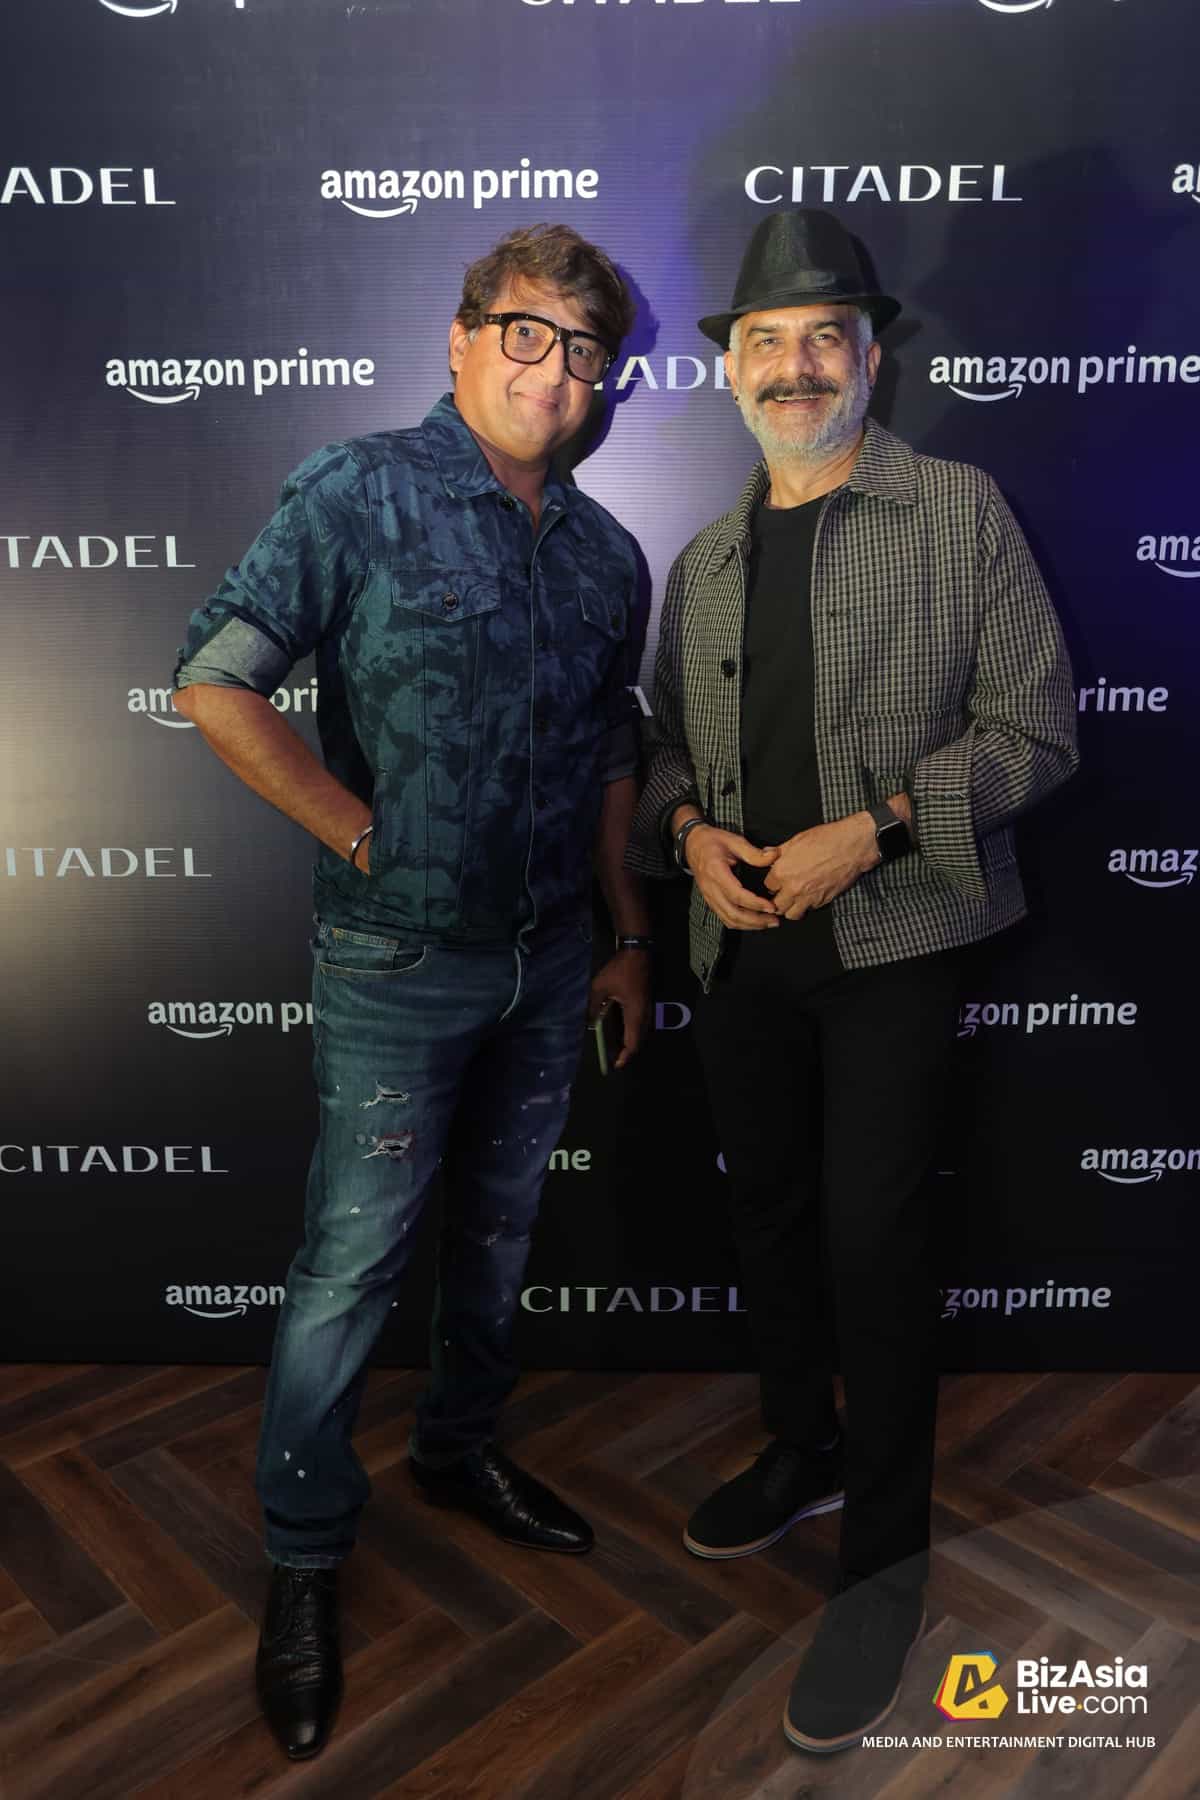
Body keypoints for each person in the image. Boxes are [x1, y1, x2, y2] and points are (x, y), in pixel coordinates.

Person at [172, 223, 651, 1761]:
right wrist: (359, 832)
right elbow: (216, 677)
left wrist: (628, 933)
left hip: (551, 961)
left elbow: (612, 755)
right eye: (527, 333)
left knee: (499, 1239)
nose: (552, 373)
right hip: (395, 964)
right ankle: (305, 1551)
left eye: (584, 351)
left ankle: (458, 1450)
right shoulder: (359, 490)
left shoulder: (606, 556)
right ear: (461, 338)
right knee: (352, 1264)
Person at [625, 208, 1078, 1756]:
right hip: (738, 952)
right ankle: (799, 1447)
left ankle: (883, 1566)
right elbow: (661, 751)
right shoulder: (706, 560)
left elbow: (1038, 732)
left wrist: (871, 833)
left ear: (871, 358)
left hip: (896, 946)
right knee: (765, 1219)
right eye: (769, 341)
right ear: (731, 370)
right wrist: (687, 836)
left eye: (827, 337)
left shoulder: (959, 511)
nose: (798, 364)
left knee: (876, 1248)